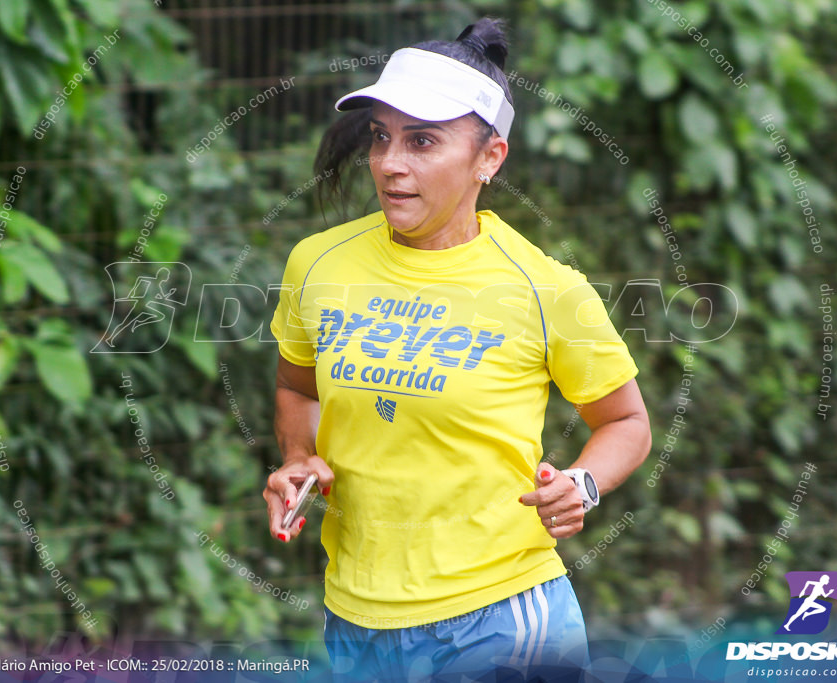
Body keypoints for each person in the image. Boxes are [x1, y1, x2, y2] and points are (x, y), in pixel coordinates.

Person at [264, 18, 651, 681]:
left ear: (489, 158)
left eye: (422, 141)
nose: (389, 163)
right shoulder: (318, 264)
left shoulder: (546, 288)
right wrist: (300, 457)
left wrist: (582, 485)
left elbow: (626, 422)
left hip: (500, 618)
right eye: (381, 137)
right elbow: (299, 389)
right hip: (354, 615)